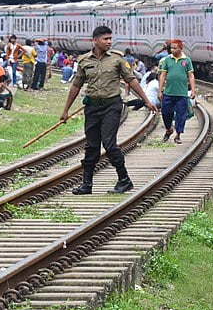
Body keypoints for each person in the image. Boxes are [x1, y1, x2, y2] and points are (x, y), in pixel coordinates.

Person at [59, 25, 158, 195]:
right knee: (91, 146)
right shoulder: (84, 61)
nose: (109, 42)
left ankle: (124, 180)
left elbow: (132, 80)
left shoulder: (117, 59)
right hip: (92, 107)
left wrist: (146, 101)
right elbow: (76, 85)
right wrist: (65, 110)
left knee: (109, 144)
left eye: (110, 39)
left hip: (112, 106)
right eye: (105, 39)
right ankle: (87, 184)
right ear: (95, 40)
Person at [158, 39, 196, 144]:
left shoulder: (187, 60)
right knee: (166, 113)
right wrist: (160, 90)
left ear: (181, 48)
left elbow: (191, 76)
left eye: (175, 48)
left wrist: (193, 90)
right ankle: (169, 129)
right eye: (171, 48)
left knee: (181, 115)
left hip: (182, 93)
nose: (173, 50)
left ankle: (178, 134)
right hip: (168, 92)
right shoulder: (167, 60)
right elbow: (163, 75)